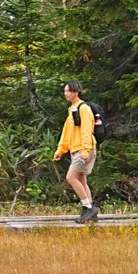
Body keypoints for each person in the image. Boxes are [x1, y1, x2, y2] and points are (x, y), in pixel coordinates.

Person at [53, 81, 99, 224]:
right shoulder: (72, 109)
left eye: (68, 91)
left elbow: (86, 130)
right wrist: (61, 150)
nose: (65, 93)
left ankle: (88, 208)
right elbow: (67, 132)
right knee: (81, 180)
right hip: (76, 149)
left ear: (76, 92)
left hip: (84, 149)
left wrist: (85, 151)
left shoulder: (83, 108)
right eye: (65, 91)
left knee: (71, 177)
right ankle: (90, 211)